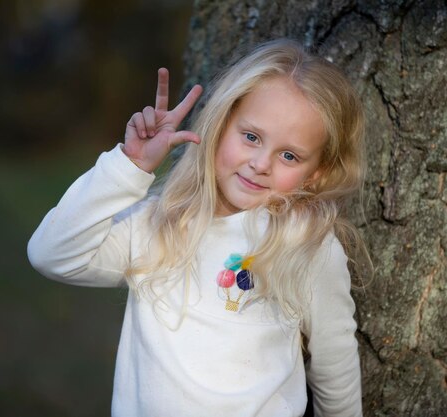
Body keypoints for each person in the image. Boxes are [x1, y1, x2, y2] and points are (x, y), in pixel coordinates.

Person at [28, 38, 367, 417]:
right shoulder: (159, 224)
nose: (261, 163)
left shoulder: (307, 247)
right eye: (251, 137)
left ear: (316, 172)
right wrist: (129, 167)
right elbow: (52, 255)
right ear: (220, 125)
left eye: (289, 155)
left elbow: (335, 370)